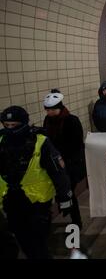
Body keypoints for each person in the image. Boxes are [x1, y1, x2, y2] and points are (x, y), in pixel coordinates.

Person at [0, 106, 72, 259]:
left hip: (37, 203)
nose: (10, 129)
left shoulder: (40, 142)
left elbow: (58, 172)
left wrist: (65, 197)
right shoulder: (2, 141)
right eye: (7, 125)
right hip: (10, 200)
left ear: (24, 123)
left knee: (38, 244)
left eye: (14, 125)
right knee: (22, 240)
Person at [43, 90, 85, 229]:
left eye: (53, 110)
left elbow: (77, 143)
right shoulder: (47, 121)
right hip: (54, 164)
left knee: (69, 193)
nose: (50, 112)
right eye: (48, 110)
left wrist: (63, 158)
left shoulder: (71, 120)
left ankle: (76, 221)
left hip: (69, 164)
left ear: (60, 108)